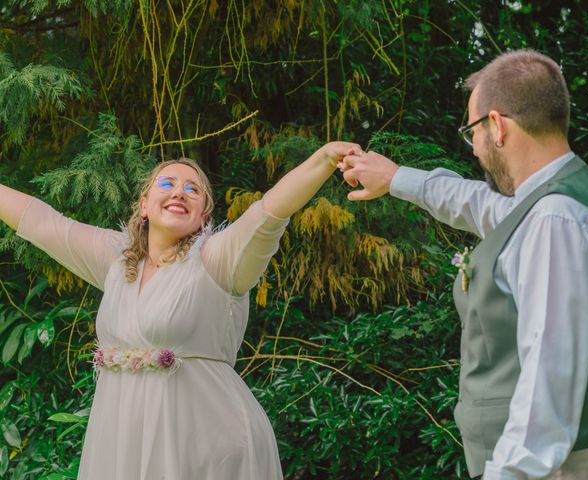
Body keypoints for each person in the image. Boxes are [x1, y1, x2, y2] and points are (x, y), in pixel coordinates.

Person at [338, 49, 588, 479]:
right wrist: (396, 178)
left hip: (570, 466)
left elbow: (548, 370)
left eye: (471, 131)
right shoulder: (550, 202)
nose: (475, 148)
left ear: (496, 126)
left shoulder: (555, 218)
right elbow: (480, 205)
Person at [0, 141, 360, 479]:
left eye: (193, 189)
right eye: (168, 183)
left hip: (206, 447)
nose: (179, 192)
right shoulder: (117, 257)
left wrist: (324, 159)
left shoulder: (218, 260)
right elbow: (44, 224)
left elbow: (268, 213)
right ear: (143, 204)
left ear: (204, 215)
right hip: (121, 445)